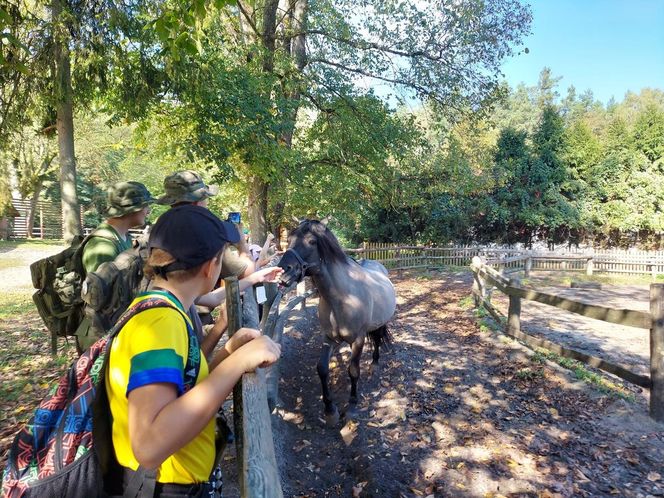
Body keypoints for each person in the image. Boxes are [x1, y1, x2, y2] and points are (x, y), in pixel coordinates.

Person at [105, 204, 281, 496]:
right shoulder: (160, 323)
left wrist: (228, 352)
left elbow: (183, 388)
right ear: (211, 267)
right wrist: (238, 363)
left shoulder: (160, 307)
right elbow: (149, 446)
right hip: (167, 488)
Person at [156, 170, 282, 359]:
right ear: (209, 268)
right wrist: (239, 361)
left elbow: (193, 373)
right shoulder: (165, 322)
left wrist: (257, 277)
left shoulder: (175, 297)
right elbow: (188, 387)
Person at [75, 181, 155, 350]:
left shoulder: (124, 238)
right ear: (132, 208)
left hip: (118, 327)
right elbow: (100, 297)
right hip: (100, 334)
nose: (148, 210)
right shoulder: (101, 245)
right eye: (146, 205)